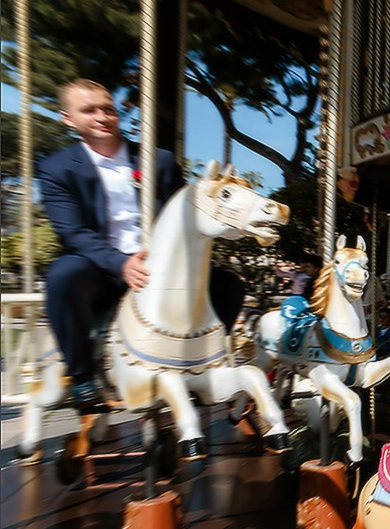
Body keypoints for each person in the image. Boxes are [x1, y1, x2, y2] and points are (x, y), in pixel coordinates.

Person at [39, 78, 244, 411]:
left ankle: (200, 364)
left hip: (160, 270)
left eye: (107, 108)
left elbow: (186, 214)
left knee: (228, 286)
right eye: (88, 111)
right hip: (102, 269)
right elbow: (73, 233)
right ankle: (81, 376)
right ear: (68, 119)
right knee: (64, 274)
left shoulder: (157, 161)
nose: (101, 116)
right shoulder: (57, 169)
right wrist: (121, 263)